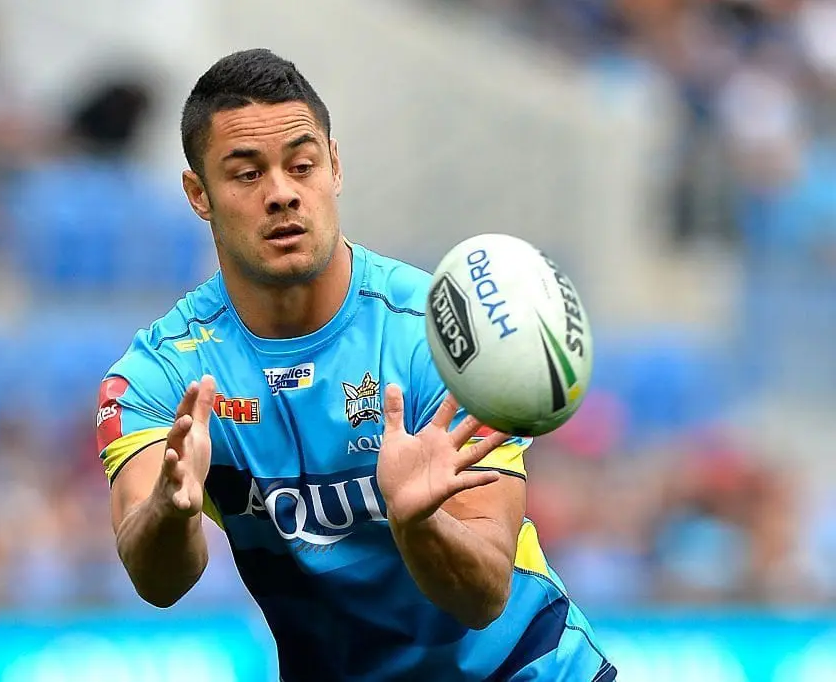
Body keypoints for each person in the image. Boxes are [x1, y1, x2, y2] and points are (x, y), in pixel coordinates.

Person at [96, 48, 616, 682]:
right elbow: (158, 582)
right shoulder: (162, 374)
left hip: (525, 670)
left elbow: (484, 597)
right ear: (198, 195)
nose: (282, 193)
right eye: (247, 175)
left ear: (334, 168)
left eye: (302, 165)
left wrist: (417, 521)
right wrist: (169, 515)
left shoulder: (444, 334)